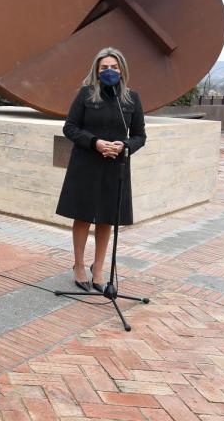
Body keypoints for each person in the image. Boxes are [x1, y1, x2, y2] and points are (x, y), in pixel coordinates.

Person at [56, 47, 146, 292]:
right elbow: (70, 128)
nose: (109, 71)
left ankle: (98, 269)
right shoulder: (85, 95)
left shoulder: (131, 99)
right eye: (104, 67)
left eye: (114, 67)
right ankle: (79, 266)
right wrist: (95, 142)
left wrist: (123, 145)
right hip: (86, 163)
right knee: (83, 216)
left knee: (107, 219)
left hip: (114, 166)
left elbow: (140, 136)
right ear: (96, 70)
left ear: (122, 70)